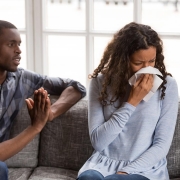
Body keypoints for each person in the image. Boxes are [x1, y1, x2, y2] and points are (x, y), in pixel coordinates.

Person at [77, 22, 179, 180]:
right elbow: (98, 142)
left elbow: (161, 145)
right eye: (138, 63)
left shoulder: (168, 86)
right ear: (122, 61)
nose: (147, 69)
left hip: (145, 168)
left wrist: (126, 171)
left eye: (151, 61)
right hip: (102, 164)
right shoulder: (100, 83)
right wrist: (132, 102)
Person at [0, 20, 86, 179]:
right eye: (11, 44)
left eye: (19, 44)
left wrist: (51, 112)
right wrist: (35, 127)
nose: (18, 50)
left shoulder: (21, 79)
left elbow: (76, 86)